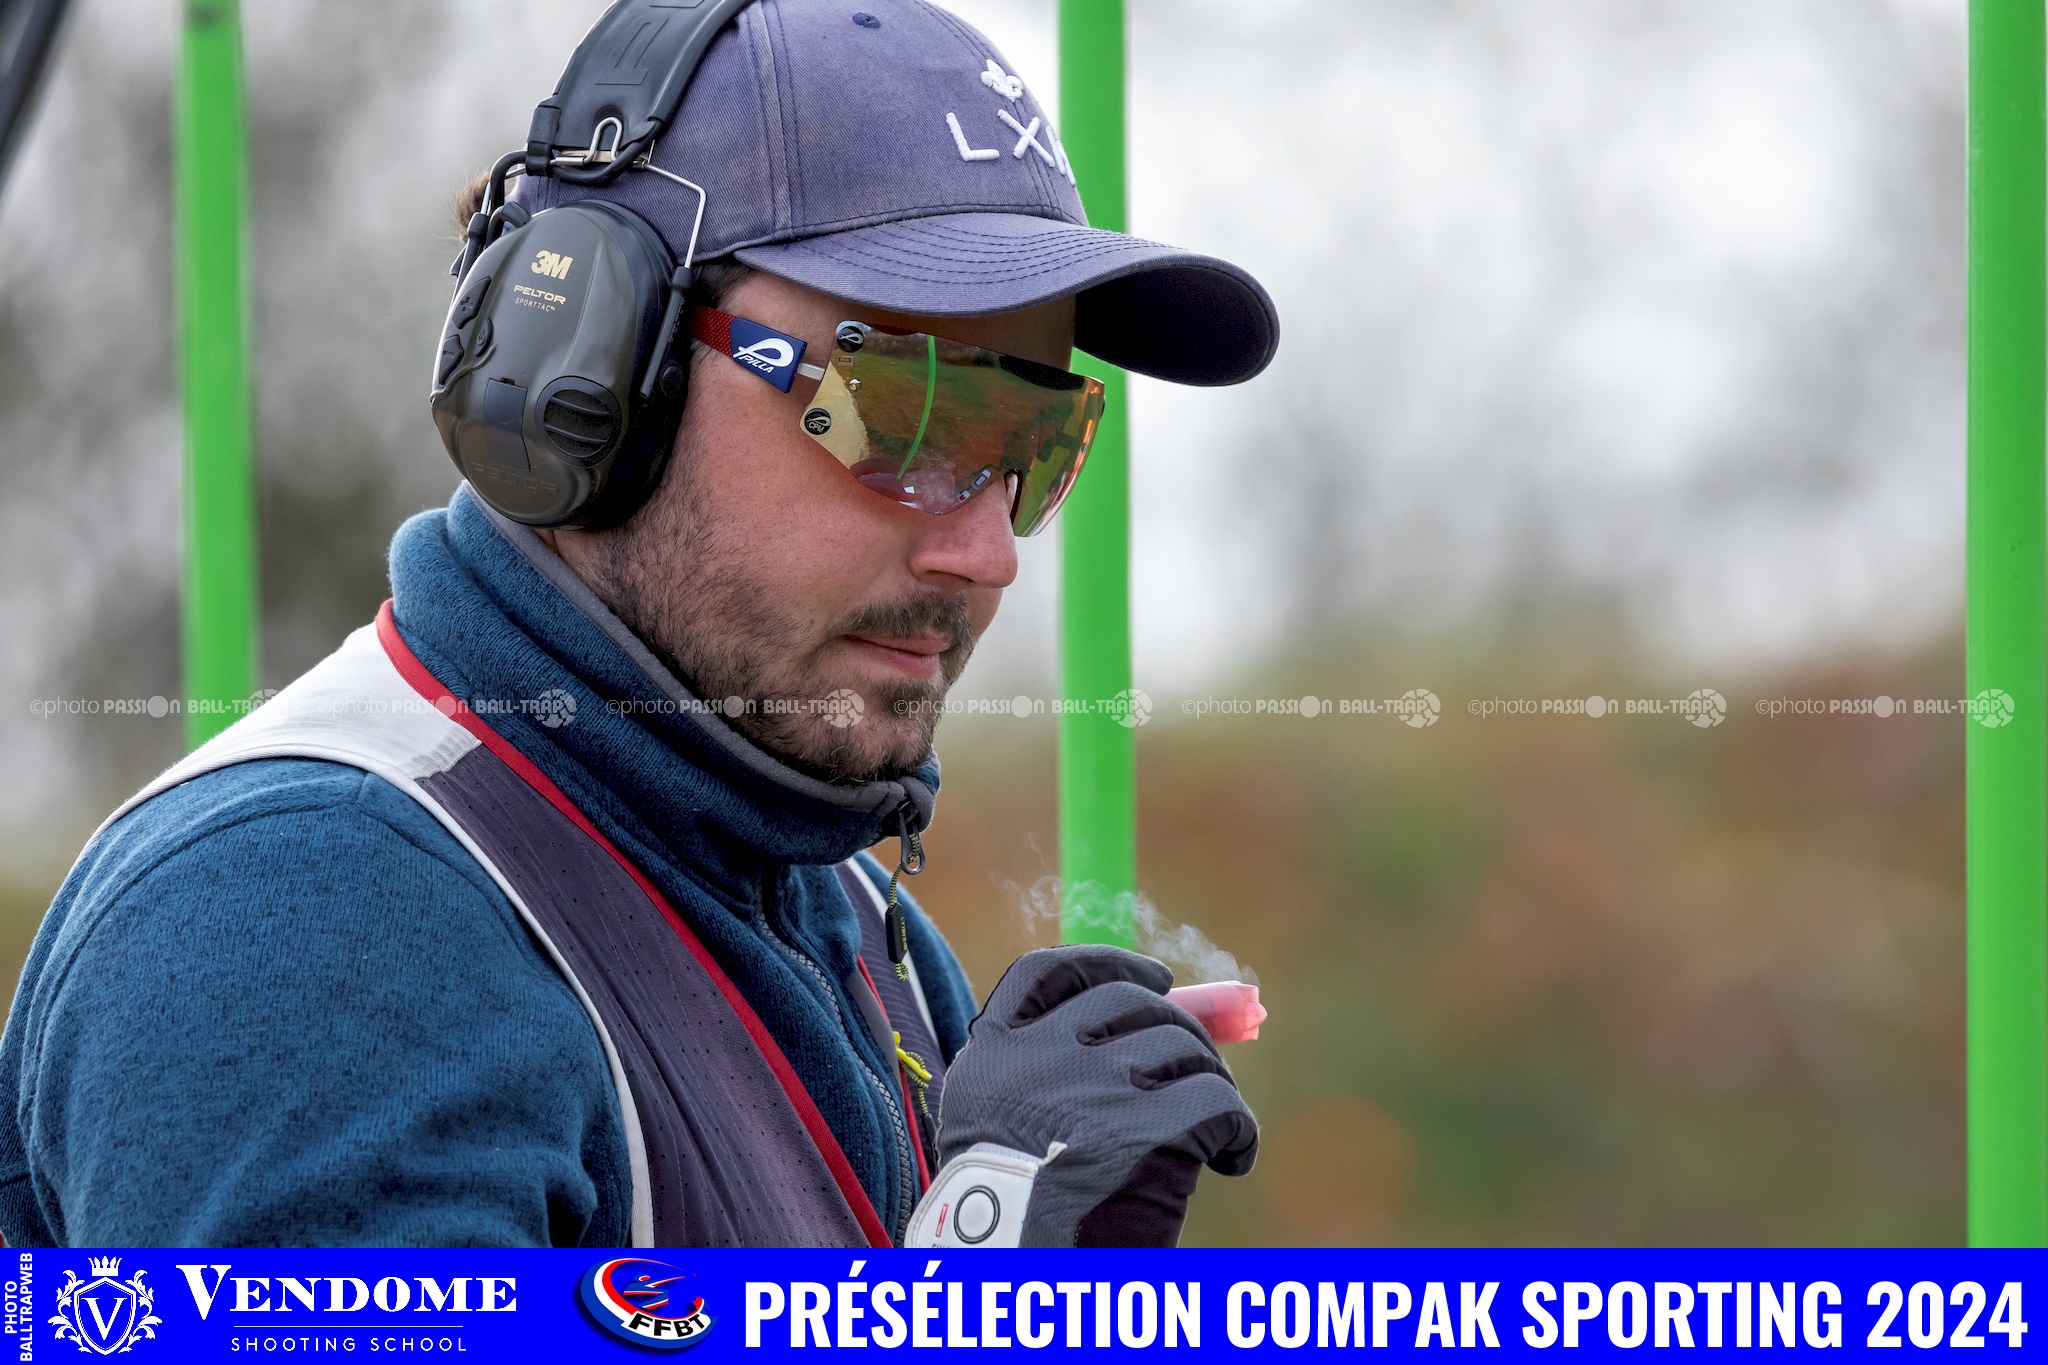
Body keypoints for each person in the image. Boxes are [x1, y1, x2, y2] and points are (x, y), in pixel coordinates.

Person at [0, 0, 1278, 1248]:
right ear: (596, 370)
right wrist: (995, 1274)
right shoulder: (308, 915)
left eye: (1031, 442)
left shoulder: (835, 907)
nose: (987, 551)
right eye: (906, 411)